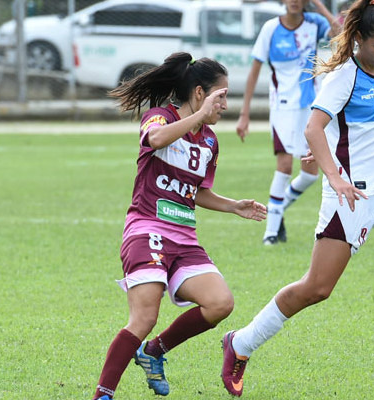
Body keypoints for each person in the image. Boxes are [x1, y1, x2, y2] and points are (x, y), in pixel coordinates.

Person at [220, 0, 374, 396]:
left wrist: (332, 147)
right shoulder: (343, 78)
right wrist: (334, 175)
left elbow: (364, 129)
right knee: (316, 289)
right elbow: (314, 128)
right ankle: (240, 343)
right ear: (358, 40)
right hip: (350, 196)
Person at [91, 52, 267, 400]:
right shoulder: (160, 118)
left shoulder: (209, 141)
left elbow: (198, 192)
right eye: (221, 96)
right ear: (199, 93)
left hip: (184, 238)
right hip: (147, 230)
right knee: (143, 317)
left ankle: (154, 351)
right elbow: (155, 140)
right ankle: (102, 395)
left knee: (220, 303)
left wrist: (234, 207)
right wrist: (198, 116)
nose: (225, 105)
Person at [236, 0, 341, 245]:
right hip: (282, 107)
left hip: (310, 107)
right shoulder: (271, 28)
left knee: (310, 174)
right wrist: (244, 113)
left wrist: (320, 6)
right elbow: (253, 72)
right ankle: (270, 234)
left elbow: (339, 33)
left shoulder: (314, 23)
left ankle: (277, 208)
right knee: (284, 165)